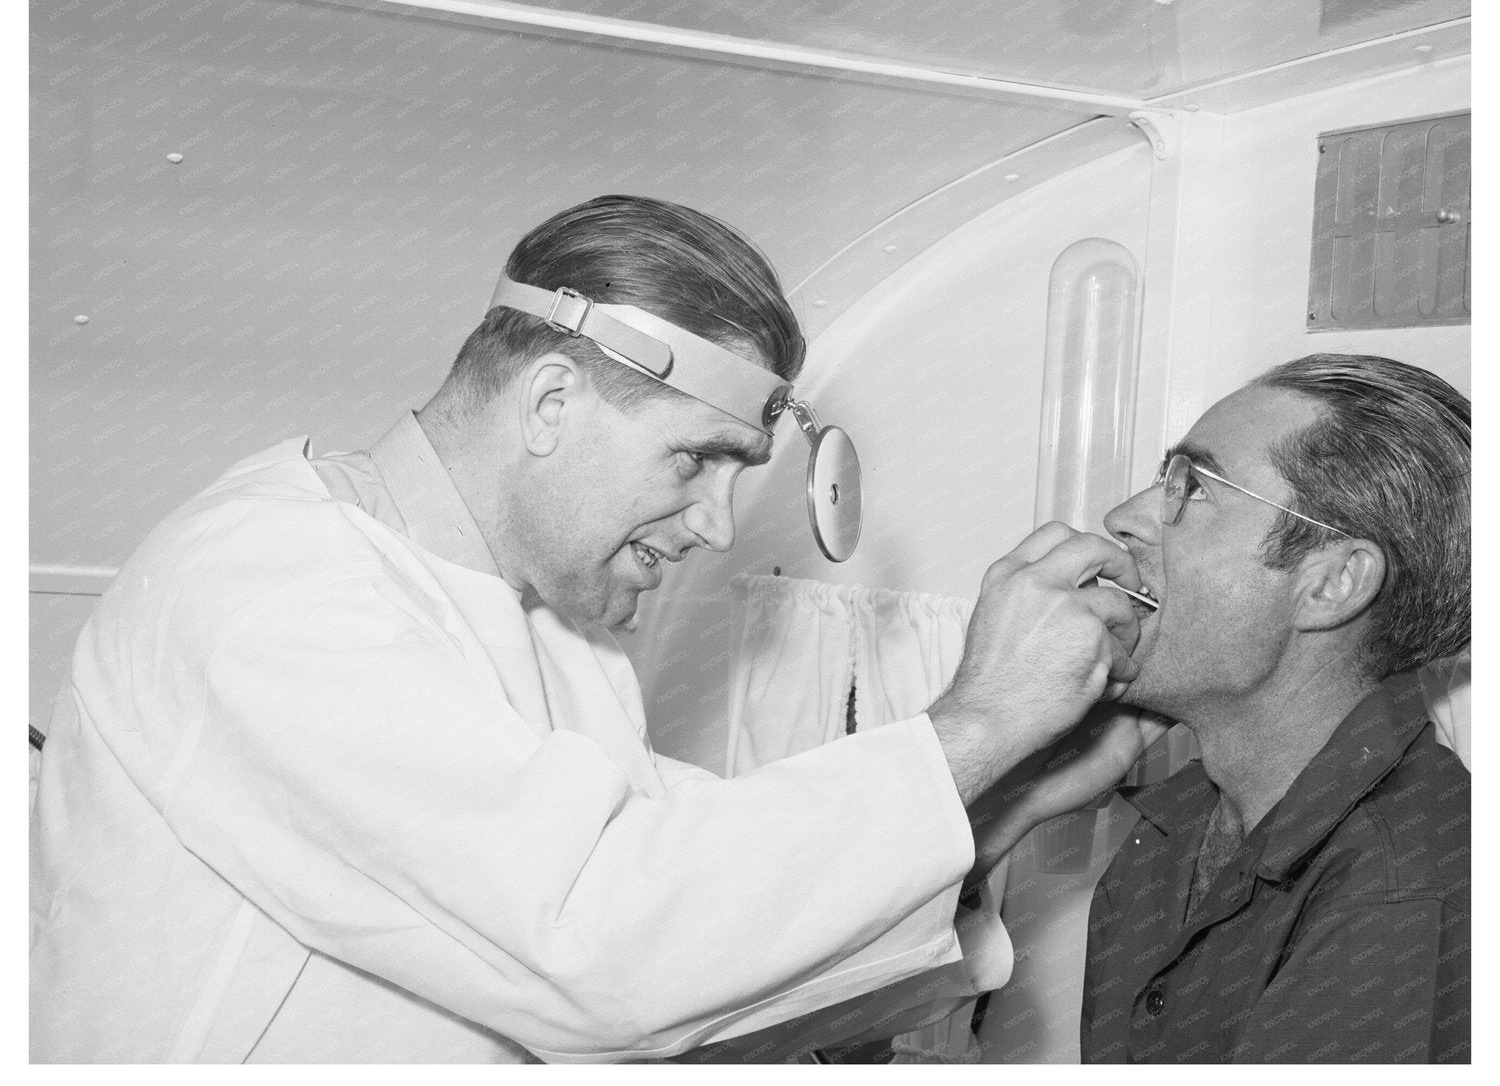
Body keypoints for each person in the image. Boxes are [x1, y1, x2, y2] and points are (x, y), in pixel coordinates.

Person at [32, 195, 1154, 1063]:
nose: (719, 523)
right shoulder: (271, 589)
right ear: (553, 402)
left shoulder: (552, 624)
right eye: (699, 458)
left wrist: (1006, 797)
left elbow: (690, 956)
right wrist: (980, 723)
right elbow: (605, 949)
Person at [1079, 353, 1470, 1064]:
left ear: (1332, 584)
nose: (1124, 518)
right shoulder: (1167, 833)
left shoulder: (1400, 891)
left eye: (1191, 487)